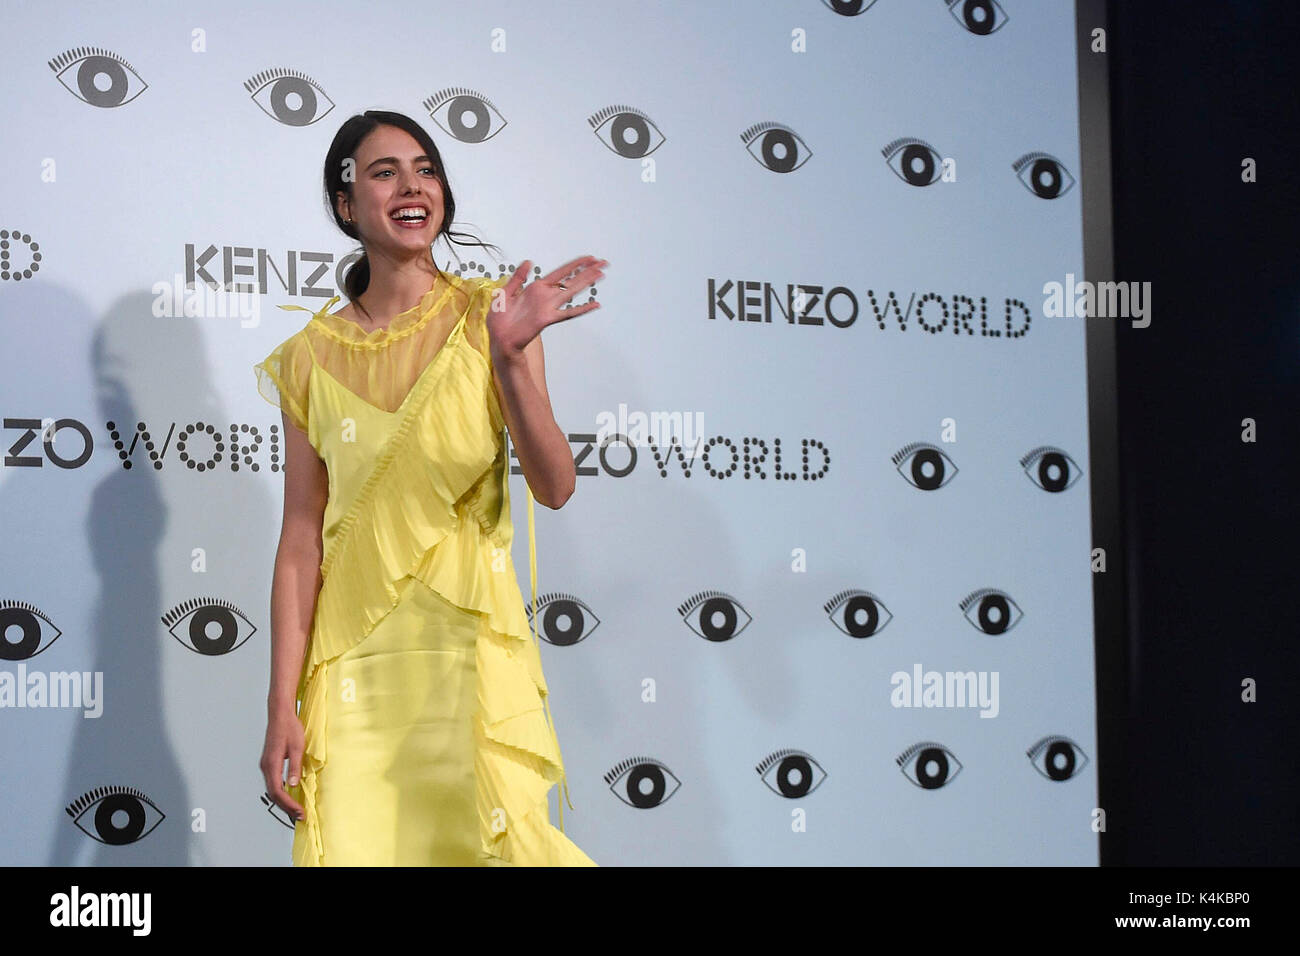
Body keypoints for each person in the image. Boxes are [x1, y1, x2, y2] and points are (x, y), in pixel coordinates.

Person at [254, 110, 604, 865]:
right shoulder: (305, 361)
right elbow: (299, 540)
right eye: (384, 173)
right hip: (353, 673)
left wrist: (510, 359)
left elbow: (555, 486)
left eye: (426, 169)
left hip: (467, 652)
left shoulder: (493, 317)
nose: (413, 187)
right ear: (347, 205)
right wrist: (283, 701)